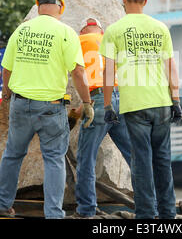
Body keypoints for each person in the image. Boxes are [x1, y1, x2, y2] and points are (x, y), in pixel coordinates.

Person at [0, 0, 94, 219]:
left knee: (13, 154)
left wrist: (7, 96)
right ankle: (53, 215)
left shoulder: (22, 30)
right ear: (61, 8)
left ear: (38, 6)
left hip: (20, 104)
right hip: (50, 107)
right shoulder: (66, 32)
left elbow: (6, 69)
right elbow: (78, 72)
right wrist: (87, 103)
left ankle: (1, 205)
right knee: (54, 160)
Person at [99, 0, 182, 219]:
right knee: (163, 161)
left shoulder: (114, 31)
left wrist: (107, 105)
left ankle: (146, 214)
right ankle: (167, 213)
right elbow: (171, 67)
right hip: (162, 104)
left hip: (134, 106)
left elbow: (108, 73)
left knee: (141, 162)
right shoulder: (160, 28)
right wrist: (175, 99)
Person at [72, 17, 132, 218]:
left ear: (82, 32)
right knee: (135, 155)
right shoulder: (110, 41)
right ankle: (151, 205)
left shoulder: (77, 41)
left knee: (86, 158)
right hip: (119, 98)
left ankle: (86, 211)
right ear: (101, 31)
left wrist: (82, 106)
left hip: (98, 99)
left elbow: (80, 73)